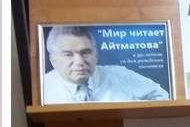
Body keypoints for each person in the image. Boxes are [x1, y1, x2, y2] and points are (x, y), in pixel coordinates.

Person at [42, 25, 170, 104]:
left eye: (86, 53)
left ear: (96, 54)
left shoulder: (119, 74)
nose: (79, 62)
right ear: (53, 60)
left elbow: (162, 96)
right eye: (68, 54)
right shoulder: (45, 88)